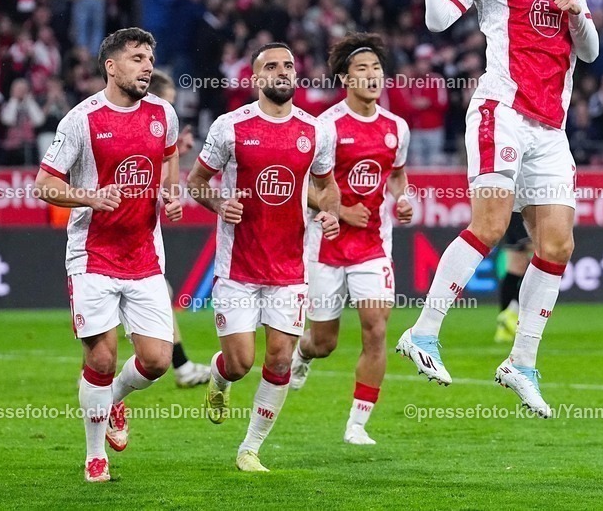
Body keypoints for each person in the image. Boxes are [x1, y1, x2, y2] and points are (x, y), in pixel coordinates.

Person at [397, 0, 599, 418]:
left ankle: (521, 363)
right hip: (502, 111)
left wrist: (576, 14)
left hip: (551, 127)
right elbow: (438, 19)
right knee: (490, 225)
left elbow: (590, 51)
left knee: (556, 245)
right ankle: (424, 332)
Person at [35, 27, 183, 482]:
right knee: (100, 358)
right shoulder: (81, 119)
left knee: (158, 361)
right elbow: (45, 185)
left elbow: (169, 165)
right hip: (92, 254)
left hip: (143, 255)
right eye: (137, 58)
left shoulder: (163, 114)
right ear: (111, 66)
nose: (147, 65)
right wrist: (90, 197)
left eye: (150, 57)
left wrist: (172, 198)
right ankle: (94, 455)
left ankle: (116, 398)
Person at [188, 43, 340, 473]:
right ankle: (219, 377)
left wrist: (328, 213)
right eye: (271, 66)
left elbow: (326, 186)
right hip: (238, 267)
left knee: (279, 359)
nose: (281, 72)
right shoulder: (229, 127)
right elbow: (196, 181)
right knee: (240, 363)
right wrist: (219, 205)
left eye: (288, 66)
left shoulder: (316, 131)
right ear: (255, 78)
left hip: (290, 268)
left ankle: (250, 448)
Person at [289, 33, 412, 446]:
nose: (372, 75)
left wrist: (403, 196)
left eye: (377, 68)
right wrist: (339, 210)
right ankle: (303, 353)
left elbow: (395, 172)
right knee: (324, 342)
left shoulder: (397, 128)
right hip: (326, 245)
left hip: (374, 247)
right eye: (362, 69)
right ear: (346, 78)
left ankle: (358, 423)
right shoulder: (325, 128)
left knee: (376, 330)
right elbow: (302, 185)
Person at [146, 70, 213, 387]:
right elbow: (143, 185)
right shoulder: (141, 130)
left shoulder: (156, 133)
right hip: (115, 239)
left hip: (141, 237)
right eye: (168, 102)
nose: (171, 110)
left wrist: (175, 154)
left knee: (162, 293)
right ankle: (182, 368)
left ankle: (182, 366)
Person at [494, 212, 531, 343]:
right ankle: (510, 314)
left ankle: (504, 325)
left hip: (511, 213)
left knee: (516, 267)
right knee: (541, 264)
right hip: (523, 214)